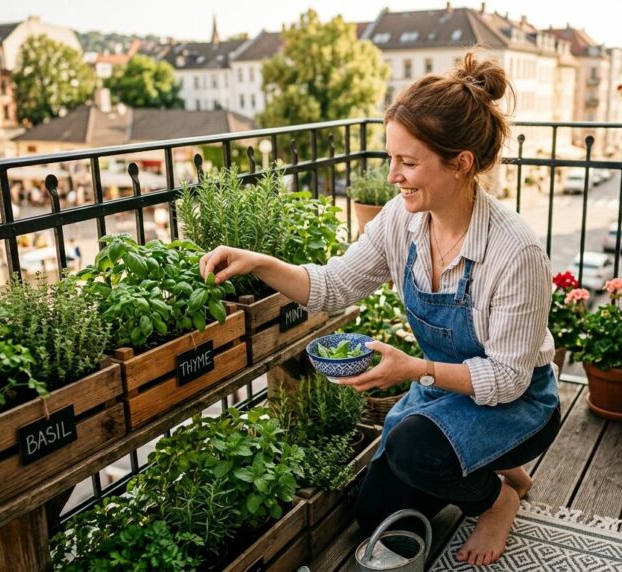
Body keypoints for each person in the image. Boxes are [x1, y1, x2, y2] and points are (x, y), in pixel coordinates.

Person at [199, 51, 560, 566]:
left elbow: (507, 379)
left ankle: (499, 499)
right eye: (391, 158)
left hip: (519, 403)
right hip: (447, 395)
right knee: (372, 512)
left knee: (417, 451)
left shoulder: (514, 251)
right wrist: (261, 263)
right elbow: (332, 286)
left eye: (408, 162)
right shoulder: (401, 221)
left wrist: (416, 370)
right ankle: (497, 472)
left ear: (461, 163)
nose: (392, 176)